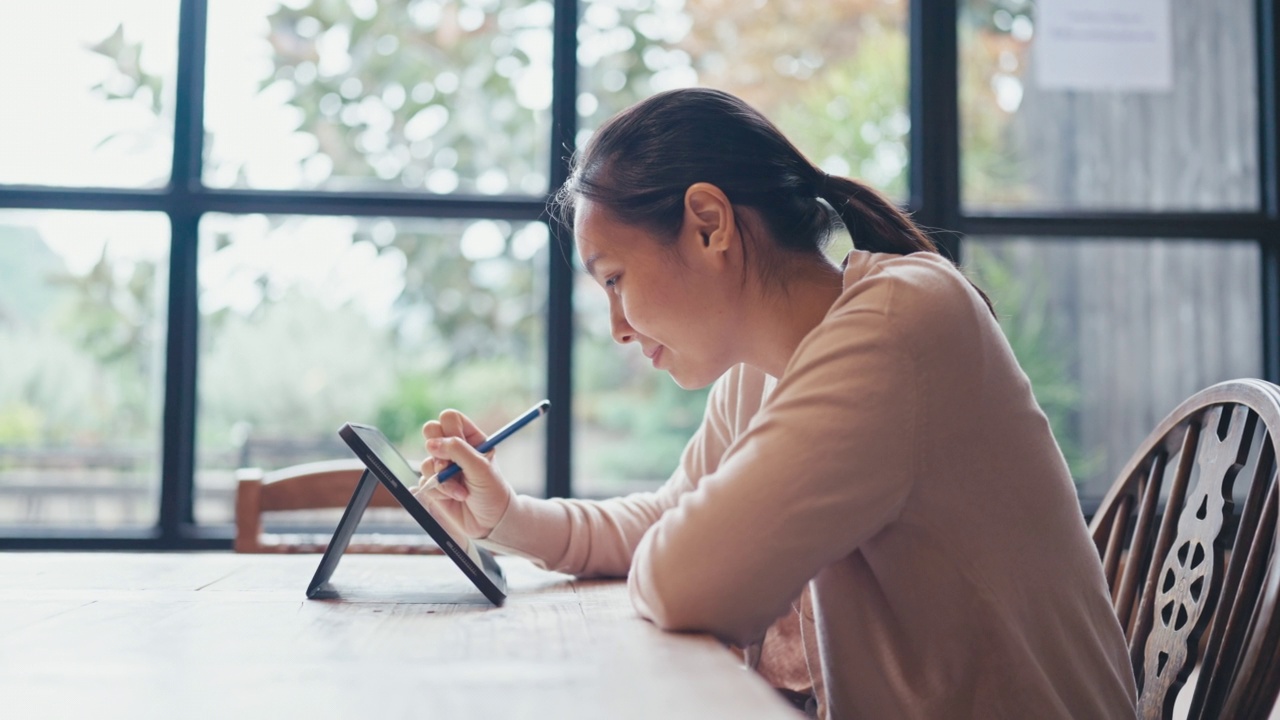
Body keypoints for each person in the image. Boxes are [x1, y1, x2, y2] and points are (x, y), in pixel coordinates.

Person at [412, 87, 1137, 719]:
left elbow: (689, 578)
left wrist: (699, 539)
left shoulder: (900, 325)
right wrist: (507, 517)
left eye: (614, 279)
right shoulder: (760, 372)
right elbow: (670, 522)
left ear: (709, 223)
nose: (618, 328)